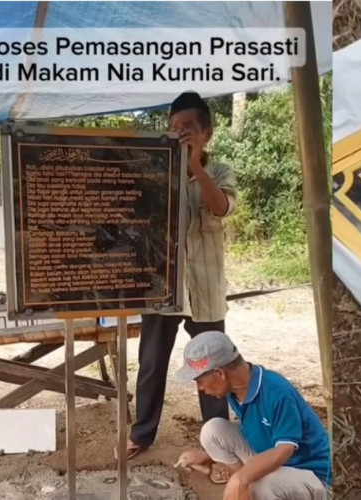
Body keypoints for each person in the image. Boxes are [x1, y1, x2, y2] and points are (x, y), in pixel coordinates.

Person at [119, 92, 238, 460]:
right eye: (174, 128)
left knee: (213, 364)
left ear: (208, 133)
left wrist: (196, 168)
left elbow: (220, 207)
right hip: (162, 287)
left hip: (204, 289)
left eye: (188, 127)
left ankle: (218, 445)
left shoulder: (220, 172)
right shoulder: (157, 174)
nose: (180, 133)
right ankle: (142, 434)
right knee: (152, 362)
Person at [173, 331, 331, 500]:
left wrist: (242, 478)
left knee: (257, 486)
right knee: (213, 430)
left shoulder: (277, 392)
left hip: (312, 474)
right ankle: (242, 489)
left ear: (220, 373)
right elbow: (259, 433)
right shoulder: (235, 391)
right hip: (276, 461)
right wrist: (206, 457)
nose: (200, 388)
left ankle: (248, 488)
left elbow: (284, 451)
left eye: (199, 381)